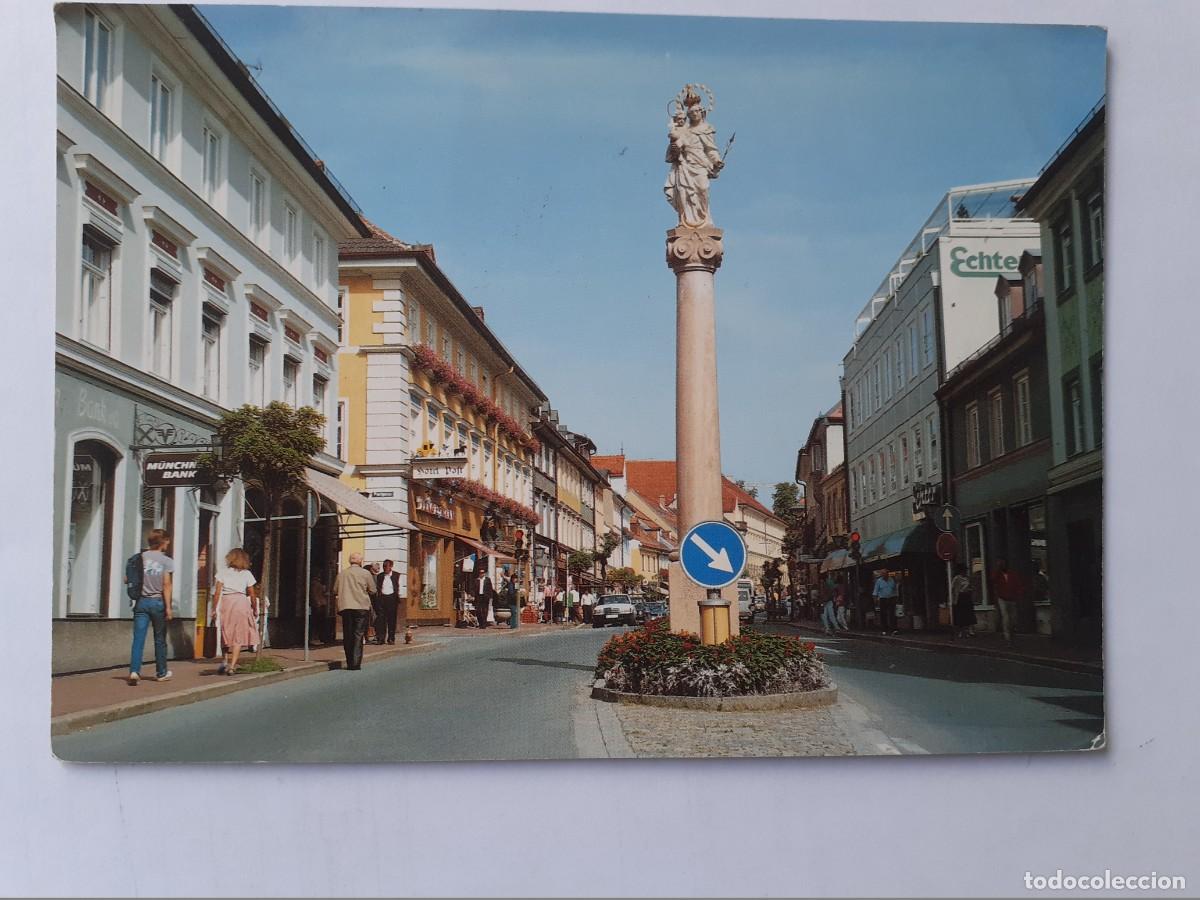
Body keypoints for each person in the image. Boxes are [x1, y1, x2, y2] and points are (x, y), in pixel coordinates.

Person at [663, 89, 725, 227]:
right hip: (684, 165)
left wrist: (716, 161)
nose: (694, 114)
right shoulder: (684, 130)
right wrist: (675, 150)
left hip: (700, 165)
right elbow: (673, 152)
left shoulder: (706, 129)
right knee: (683, 193)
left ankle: (704, 219)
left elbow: (710, 149)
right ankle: (685, 221)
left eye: (696, 111)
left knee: (703, 189)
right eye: (691, 113)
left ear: (702, 112)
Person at [127, 529, 174, 685]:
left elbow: (127, 579)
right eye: (167, 541)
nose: (168, 543)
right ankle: (161, 673)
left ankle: (134, 671)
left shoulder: (138, 558)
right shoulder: (166, 561)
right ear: (163, 542)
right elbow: (166, 584)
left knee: (138, 639)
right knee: (160, 639)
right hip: (158, 602)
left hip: (141, 602)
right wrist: (168, 607)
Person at [211, 548, 260, 675]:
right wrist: (254, 608)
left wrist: (213, 608)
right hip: (241, 602)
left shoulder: (222, 573)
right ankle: (232, 666)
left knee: (225, 631)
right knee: (238, 634)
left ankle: (224, 660)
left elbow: (217, 593)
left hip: (227, 602)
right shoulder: (247, 574)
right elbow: (252, 594)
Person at [334, 552, 376, 670]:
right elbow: (372, 589)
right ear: (360, 561)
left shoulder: (342, 573)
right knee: (358, 634)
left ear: (349, 561)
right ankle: (355, 663)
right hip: (361, 606)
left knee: (348, 634)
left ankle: (349, 662)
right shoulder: (366, 573)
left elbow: (335, 589)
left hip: (346, 607)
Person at [992, 559, 1022, 644]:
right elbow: (993, 579)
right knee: (1006, 617)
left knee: (1013, 618)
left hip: (1012, 598)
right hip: (1002, 598)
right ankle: (1007, 637)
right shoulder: (998, 575)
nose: (1002, 566)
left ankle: (1011, 633)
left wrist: (1018, 594)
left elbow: (1018, 584)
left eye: (1003, 565)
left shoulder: (1012, 574)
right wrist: (998, 569)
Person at [374, 559, 402, 644]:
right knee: (381, 620)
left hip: (392, 598)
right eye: (384, 566)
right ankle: (381, 638)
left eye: (387, 566)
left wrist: (399, 597)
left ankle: (391, 638)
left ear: (391, 566)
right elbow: (377, 587)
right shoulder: (380, 576)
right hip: (382, 598)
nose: (385, 568)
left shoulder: (397, 575)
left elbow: (400, 587)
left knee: (392, 620)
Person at [950, 563, 976, 639]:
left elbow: (971, 586)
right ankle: (961, 631)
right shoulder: (956, 578)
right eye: (963, 571)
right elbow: (952, 589)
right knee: (961, 615)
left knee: (969, 613)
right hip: (960, 597)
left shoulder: (967, 578)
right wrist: (952, 599)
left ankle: (969, 630)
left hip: (967, 596)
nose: (964, 572)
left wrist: (971, 590)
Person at [873, 570, 899, 635]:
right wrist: (875, 599)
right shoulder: (879, 581)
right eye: (883, 574)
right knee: (883, 614)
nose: (884, 575)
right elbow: (876, 590)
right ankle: (884, 629)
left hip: (891, 598)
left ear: (888, 574)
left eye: (886, 574)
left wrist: (896, 597)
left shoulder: (891, 580)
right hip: (883, 598)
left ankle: (894, 629)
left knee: (892, 614)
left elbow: (895, 589)